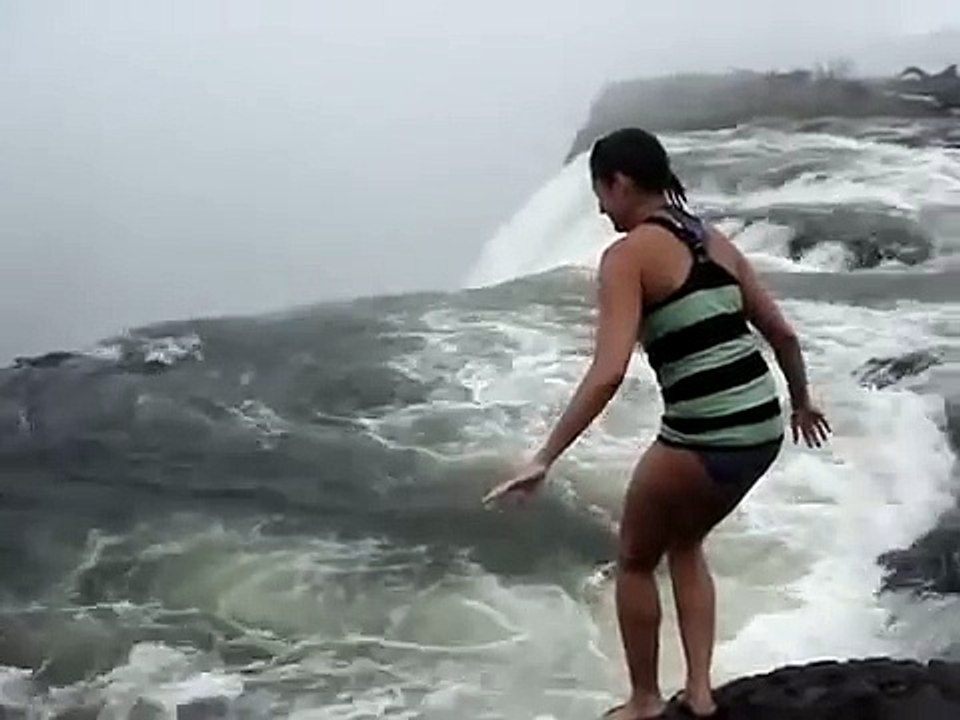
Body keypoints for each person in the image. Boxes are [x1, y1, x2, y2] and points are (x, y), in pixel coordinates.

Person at [483, 128, 831, 719]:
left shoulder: (627, 257)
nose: (598, 208)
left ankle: (645, 701)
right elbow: (783, 333)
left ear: (619, 182)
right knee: (688, 540)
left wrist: (545, 457)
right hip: (761, 430)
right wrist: (801, 403)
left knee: (636, 559)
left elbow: (607, 372)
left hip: (706, 434)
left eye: (600, 192)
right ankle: (699, 694)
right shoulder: (714, 241)